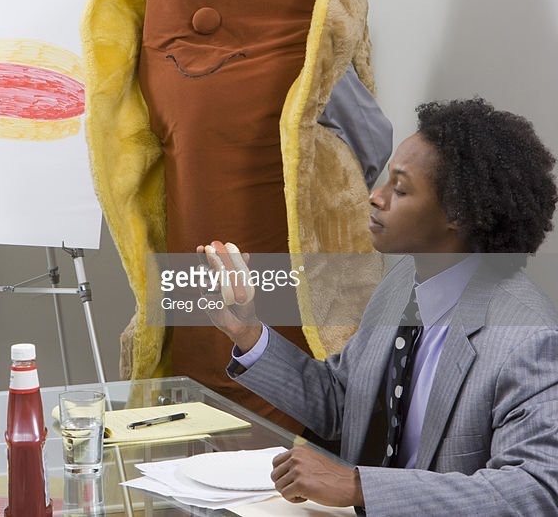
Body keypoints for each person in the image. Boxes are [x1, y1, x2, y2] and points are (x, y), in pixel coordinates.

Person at [203, 98, 558, 515]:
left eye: (400, 189)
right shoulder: (402, 281)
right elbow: (342, 403)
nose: (375, 197)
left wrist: (359, 486)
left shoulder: (528, 340)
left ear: (458, 213)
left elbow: (536, 489)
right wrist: (248, 332)